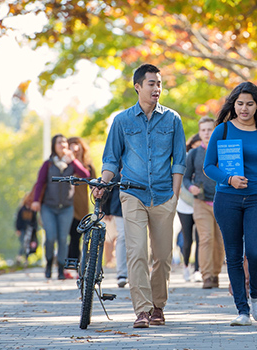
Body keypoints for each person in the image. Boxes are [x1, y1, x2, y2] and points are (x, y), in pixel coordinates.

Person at [95, 63, 186, 328]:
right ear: (138, 86)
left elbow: (179, 160)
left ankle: (158, 306)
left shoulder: (172, 119)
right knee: (136, 252)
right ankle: (143, 310)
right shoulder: (122, 121)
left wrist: (175, 196)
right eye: (151, 84)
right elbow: (111, 159)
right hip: (132, 194)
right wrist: (103, 182)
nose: (157, 88)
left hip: (163, 195)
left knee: (162, 256)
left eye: (159, 83)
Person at [204, 81, 257, 326]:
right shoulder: (222, 130)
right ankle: (242, 311)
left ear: (256, 106)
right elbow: (208, 166)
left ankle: (255, 294)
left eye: (249, 104)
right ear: (233, 105)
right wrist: (228, 178)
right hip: (227, 199)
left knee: (255, 252)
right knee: (233, 256)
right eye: (239, 103)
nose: (244, 108)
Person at [31, 134, 91, 280]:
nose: (62, 145)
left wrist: (74, 161)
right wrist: (36, 200)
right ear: (54, 146)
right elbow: (40, 183)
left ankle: (60, 269)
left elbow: (85, 175)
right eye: (59, 142)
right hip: (49, 207)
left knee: (63, 239)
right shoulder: (49, 164)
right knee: (51, 237)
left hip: (66, 207)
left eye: (64, 142)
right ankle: (49, 262)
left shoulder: (71, 164)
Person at [184, 117, 225, 289]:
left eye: (210, 129)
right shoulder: (193, 154)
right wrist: (190, 187)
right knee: (206, 238)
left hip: (222, 202)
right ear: (199, 133)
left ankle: (215, 274)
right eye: (203, 130)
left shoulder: (223, 150)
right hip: (201, 202)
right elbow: (186, 178)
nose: (207, 133)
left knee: (219, 241)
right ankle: (206, 276)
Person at [67, 137, 96, 279]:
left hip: (82, 207)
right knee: (70, 237)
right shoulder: (66, 164)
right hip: (66, 206)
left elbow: (95, 186)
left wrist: (100, 206)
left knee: (79, 237)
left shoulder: (87, 165)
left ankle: (78, 265)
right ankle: (68, 266)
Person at [177, 133, 202, 283]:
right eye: (196, 144)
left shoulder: (205, 156)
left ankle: (197, 270)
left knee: (201, 238)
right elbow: (180, 180)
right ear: (191, 145)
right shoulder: (186, 157)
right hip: (184, 205)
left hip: (200, 203)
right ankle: (186, 266)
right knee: (188, 239)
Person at [101, 172, 128, 288]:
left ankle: (136, 273)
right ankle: (122, 273)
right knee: (122, 236)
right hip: (119, 205)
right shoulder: (119, 156)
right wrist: (105, 208)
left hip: (142, 201)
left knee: (136, 238)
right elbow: (110, 179)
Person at [15, 191, 38, 265]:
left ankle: (26, 259)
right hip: (22, 229)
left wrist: (35, 230)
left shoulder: (33, 210)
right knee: (23, 243)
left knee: (28, 244)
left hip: (30, 230)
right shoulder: (22, 209)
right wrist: (18, 229)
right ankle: (19, 257)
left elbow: (34, 221)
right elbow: (18, 220)